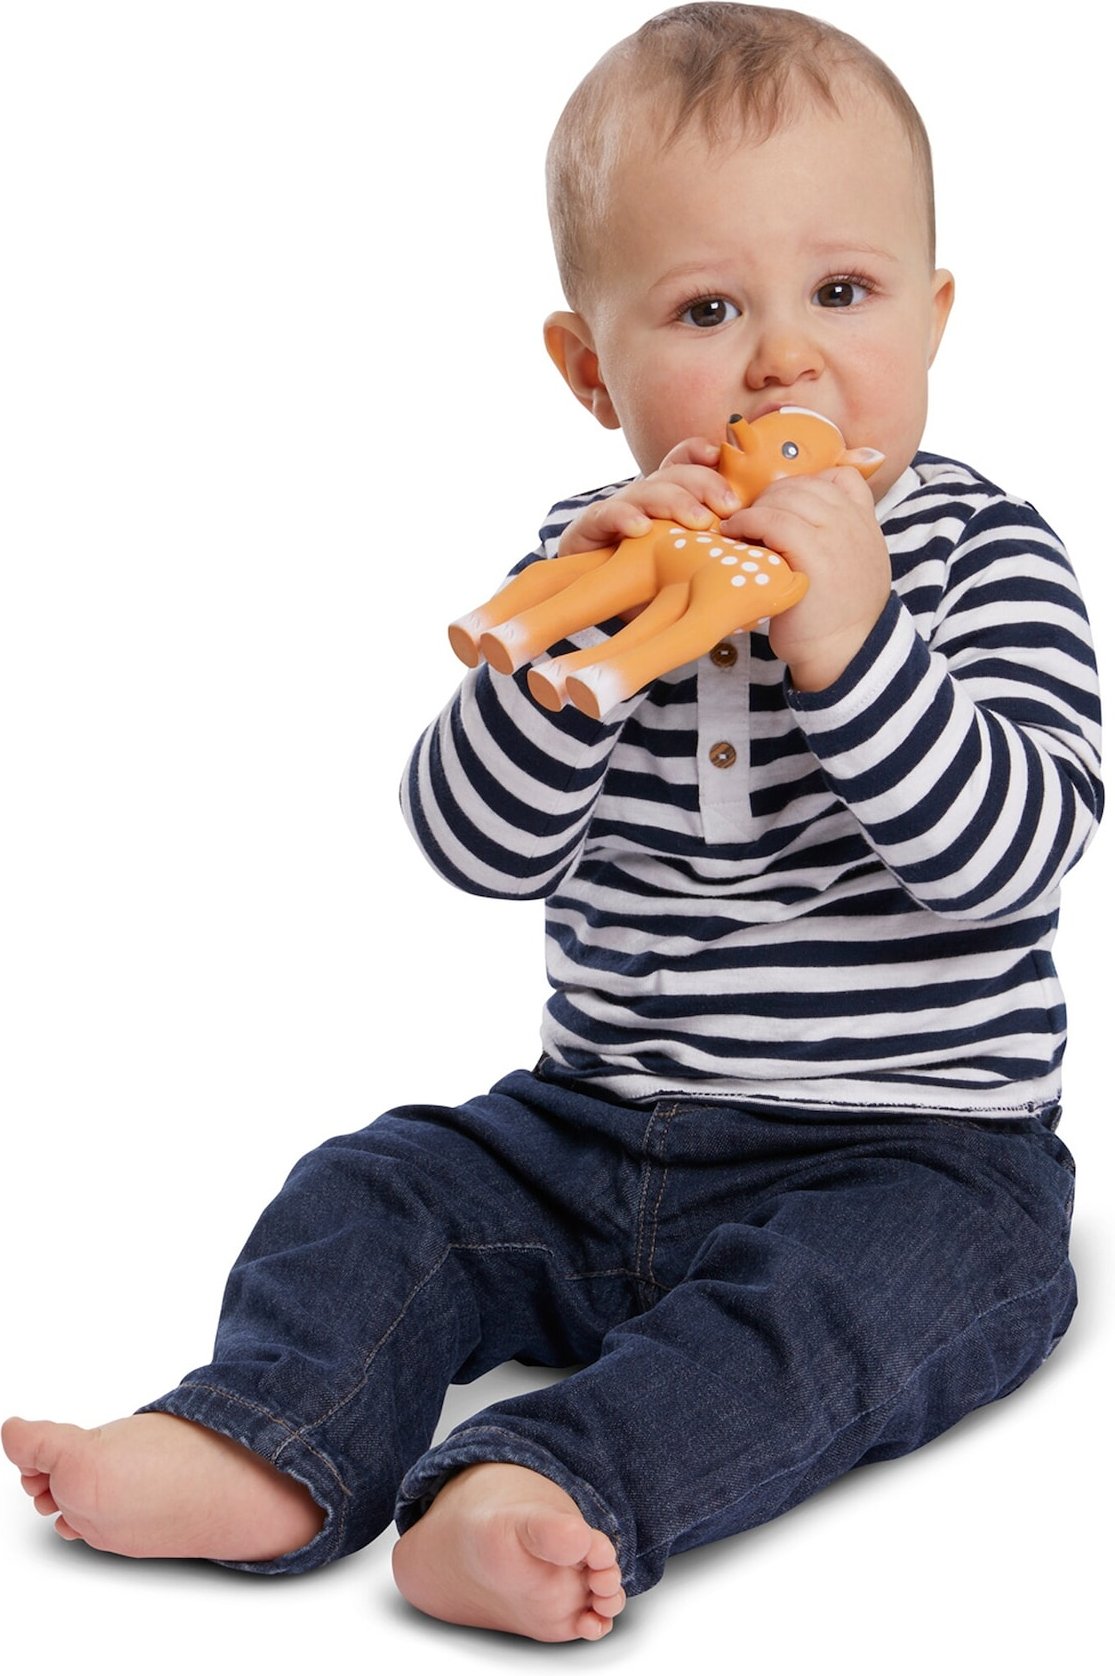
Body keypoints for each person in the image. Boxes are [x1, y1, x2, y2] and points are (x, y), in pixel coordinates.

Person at [3, 1, 1102, 1645]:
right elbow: (469, 844)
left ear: (936, 322)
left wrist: (860, 651)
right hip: (593, 1128)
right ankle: (273, 1437)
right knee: (378, 1184)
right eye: (709, 308)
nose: (785, 358)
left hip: (917, 1150)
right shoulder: (584, 565)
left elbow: (1015, 851)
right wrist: (570, 645)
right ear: (591, 368)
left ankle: (549, 1486)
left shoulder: (978, 559)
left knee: (860, 1310)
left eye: (845, 294)